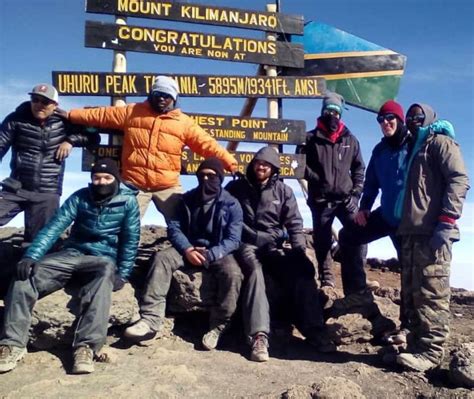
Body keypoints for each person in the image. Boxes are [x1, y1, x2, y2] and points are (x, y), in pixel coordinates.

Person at [0, 158, 140, 375]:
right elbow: (54, 227)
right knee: (25, 275)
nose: (101, 182)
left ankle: (86, 347)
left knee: (104, 272)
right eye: (96, 178)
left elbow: (131, 240)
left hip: (102, 258)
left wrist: (123, 273)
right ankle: (12, 344)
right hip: (72, 253)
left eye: (107, 178)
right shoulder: (80, 197)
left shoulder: (127, 202)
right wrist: (32, 256)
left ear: (116, 179)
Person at [65, 76, 238, 222]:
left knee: (183, 223)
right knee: (122, 226)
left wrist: (229, 162)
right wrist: (70, 115)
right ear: (151, 94)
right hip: (134, 184)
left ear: (174, 99)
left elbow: (207, 144)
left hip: (167, 185)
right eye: (158, 94)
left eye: (167, 95)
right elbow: (101, 115)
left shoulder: (184, 123)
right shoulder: (133, 112)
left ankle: (184, 259)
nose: (162, 98)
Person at [226, 147, 336, 363]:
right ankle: (259, 335)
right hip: (246, 244)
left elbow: (294, 222)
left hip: (273, 245)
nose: (261, 167)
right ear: (252, 163)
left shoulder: (283, 191)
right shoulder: (237, 187)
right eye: (258, 162)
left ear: (274, 168)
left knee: (301, 273)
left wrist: (299, 251)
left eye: (266, 164)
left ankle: (314, 331)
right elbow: (226, 215)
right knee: (255, 273)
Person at [125, 158, 243, 351]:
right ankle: (151, 320)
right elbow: (174, 228)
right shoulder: (187, 199)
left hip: (217, 251)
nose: (206, 179)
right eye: (202, 175)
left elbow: (233, 239)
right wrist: (187, 249)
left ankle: (219, 325)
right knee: (161, 258)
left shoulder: (232, 204)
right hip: (188, 247)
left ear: (220, 178)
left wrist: (212, 254)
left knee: (233, 274)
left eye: (211, 176)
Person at [394, 104, 469, 372]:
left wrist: (447, 221)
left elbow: (459, 179)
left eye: (418, 116)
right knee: (412, 293)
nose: (413, 121)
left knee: (431, 293)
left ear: (429, 118)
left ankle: (431, 352)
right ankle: (415, 346)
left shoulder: (441, 142)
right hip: (412, 232)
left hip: (434, 232)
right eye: (410, 117)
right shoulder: (416, 149)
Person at [336, 100, 411, 331]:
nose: (385, 123)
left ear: (400, 120)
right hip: (386, 215)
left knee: (409, 270)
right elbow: (371, 184)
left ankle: (407, 325)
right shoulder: (380, 150)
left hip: (408, 222)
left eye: (390, 118)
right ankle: (356, 293)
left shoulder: (414, 145)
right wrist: (364, 207)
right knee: (348, 235)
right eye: (381, 119)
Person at [0, 83, 100, 244]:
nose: (39, 104)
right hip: (16, 187)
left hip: (47, 191)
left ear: (55, 105)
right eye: (35, 99)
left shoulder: (65, 122)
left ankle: (27, 268)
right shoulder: (15, 119)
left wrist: (71, 140)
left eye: (45, 102)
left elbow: (94, 138)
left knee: (38, 243)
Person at [301, 92, 366, 289]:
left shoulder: (351, 140)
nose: (332, 115)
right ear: (322, 112)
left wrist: (356, 193)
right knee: (322, 241)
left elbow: (359, 169)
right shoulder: (309, 139)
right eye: (329, 111)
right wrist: (319, 181)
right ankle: (327, 279)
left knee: (360, 236)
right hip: (321, 201)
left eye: (336, 112)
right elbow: (300, 166)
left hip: (346, 201)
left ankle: (358, 280)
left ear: (340, 115)